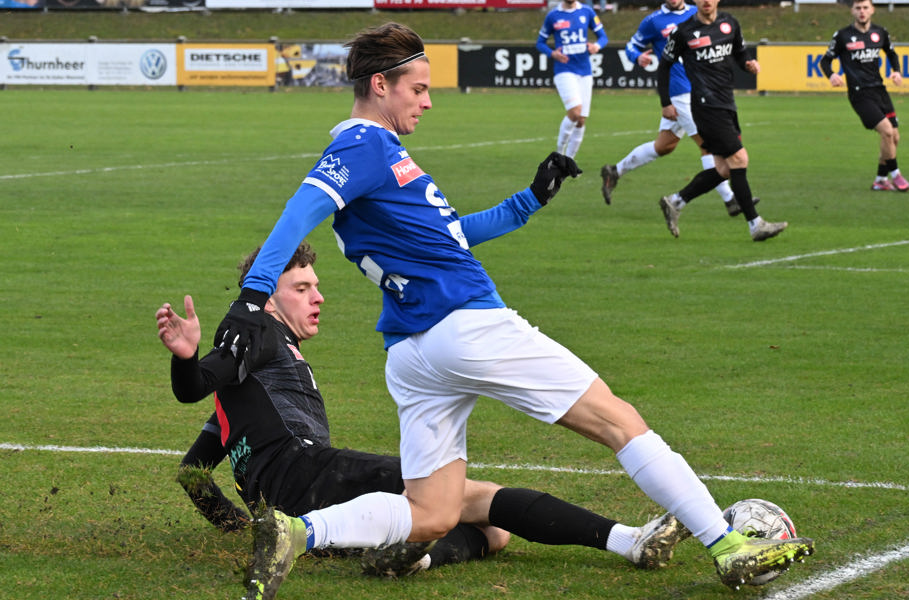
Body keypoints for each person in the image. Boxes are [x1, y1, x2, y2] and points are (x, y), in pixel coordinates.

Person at [209, 22, 813, 597]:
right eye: (418, 90)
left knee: (431, 512)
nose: (426, 102)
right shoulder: (364, 145)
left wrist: (529, 201)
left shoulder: (378, 156)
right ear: (379, 86)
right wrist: (252, 296)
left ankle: (299, 531)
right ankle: (728, 543)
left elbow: (448, 234)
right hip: (467, 324)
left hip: (413, 354)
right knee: (618, 421)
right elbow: (299, 211)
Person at [157, 242, 690, 588]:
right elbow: (200, 383)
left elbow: (192, 470)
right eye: (302, 288)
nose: (318, 297)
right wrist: (187, 359)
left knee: (495, 533)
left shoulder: (253, 379)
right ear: (267, 302)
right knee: (476, 498)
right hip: (311, 473)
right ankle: (629, 540)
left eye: (317, 286)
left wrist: (240, 522)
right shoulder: (261, 335)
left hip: (294, 494)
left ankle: (411, 556)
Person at [600, 0, 754, 219]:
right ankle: (731, 200)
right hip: (680, 92)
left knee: (664, 145)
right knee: (708, 146)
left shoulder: (697, 13)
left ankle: (616, 171)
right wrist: (638, 56)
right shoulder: (653, 21)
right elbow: (631, 46)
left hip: (700, 89)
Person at [655, 0, 788, 242]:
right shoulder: (683, 31)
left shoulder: (730, 24)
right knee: (739, 159)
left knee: (724, 169)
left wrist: (748, 64)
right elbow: (664, 66)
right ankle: (755, 224)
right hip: (706, 105)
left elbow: (739, 53)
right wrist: (666, 102)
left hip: (727, 102)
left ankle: (676, 201)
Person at [821, 0, 909, 192]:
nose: (862, 12)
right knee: (886, 131)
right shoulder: (843, 35)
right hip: (859, 94)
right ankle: (896, 175)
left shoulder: (880, 32)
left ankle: (880, 180)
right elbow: (825, 61)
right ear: (852, 11)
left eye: (865, 8)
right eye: (858, 8)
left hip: (879, 90)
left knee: (894, 137)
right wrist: (832, 75)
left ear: (872, 10)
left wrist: (897, 71)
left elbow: (892, 53)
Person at [536, 0, 608, 158]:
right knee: (575, 112)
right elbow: (540, 43)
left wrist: (597, 46)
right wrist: (552, 53)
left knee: (581, 119)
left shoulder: (587, 12)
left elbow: (603, 37)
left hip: (585, 70)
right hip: (564, 69)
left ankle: (569, 162)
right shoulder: (553, 16)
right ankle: (559, 153)